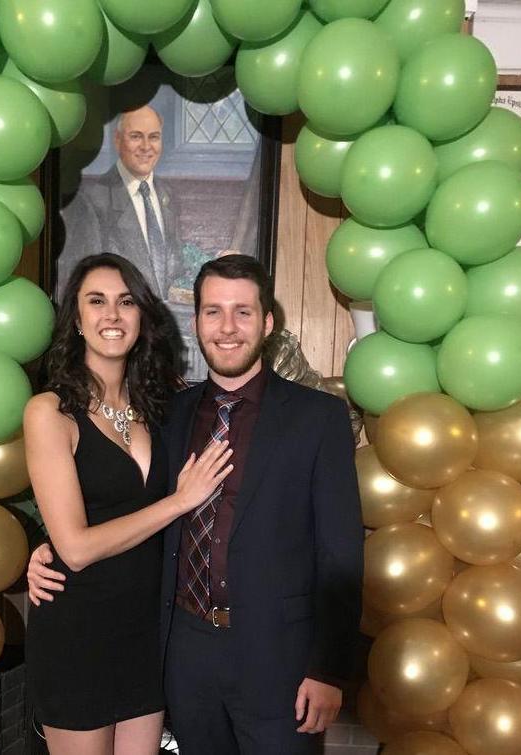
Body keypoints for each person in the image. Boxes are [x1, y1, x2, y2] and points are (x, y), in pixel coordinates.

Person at [30, 255, 364, 754]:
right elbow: (100, 496)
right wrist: (42, 548)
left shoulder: (318, 418)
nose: (227, 328)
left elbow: (341, 553)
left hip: (277, 661)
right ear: (197, 322)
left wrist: (328, 668)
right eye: (213, 312)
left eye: (243, 312)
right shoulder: (173, 412)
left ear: (268, 322)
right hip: (179, 652)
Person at [25, 252, 234, 755]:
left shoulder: (162, 408)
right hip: (79, 630)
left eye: (125, 302)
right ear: (76, 320)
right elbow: (73, 548)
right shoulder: (50, 412)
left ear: (142, 316)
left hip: (148, 630)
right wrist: (179, 501)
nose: (112, 316)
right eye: (96, 302)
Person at [56, 106, 184, 304]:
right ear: (117, 140)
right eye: (136, 136)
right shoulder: (92, 200)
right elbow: (80, 283)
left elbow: (173, 269)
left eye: (154, 137)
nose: (146, 146)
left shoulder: (166, 194)